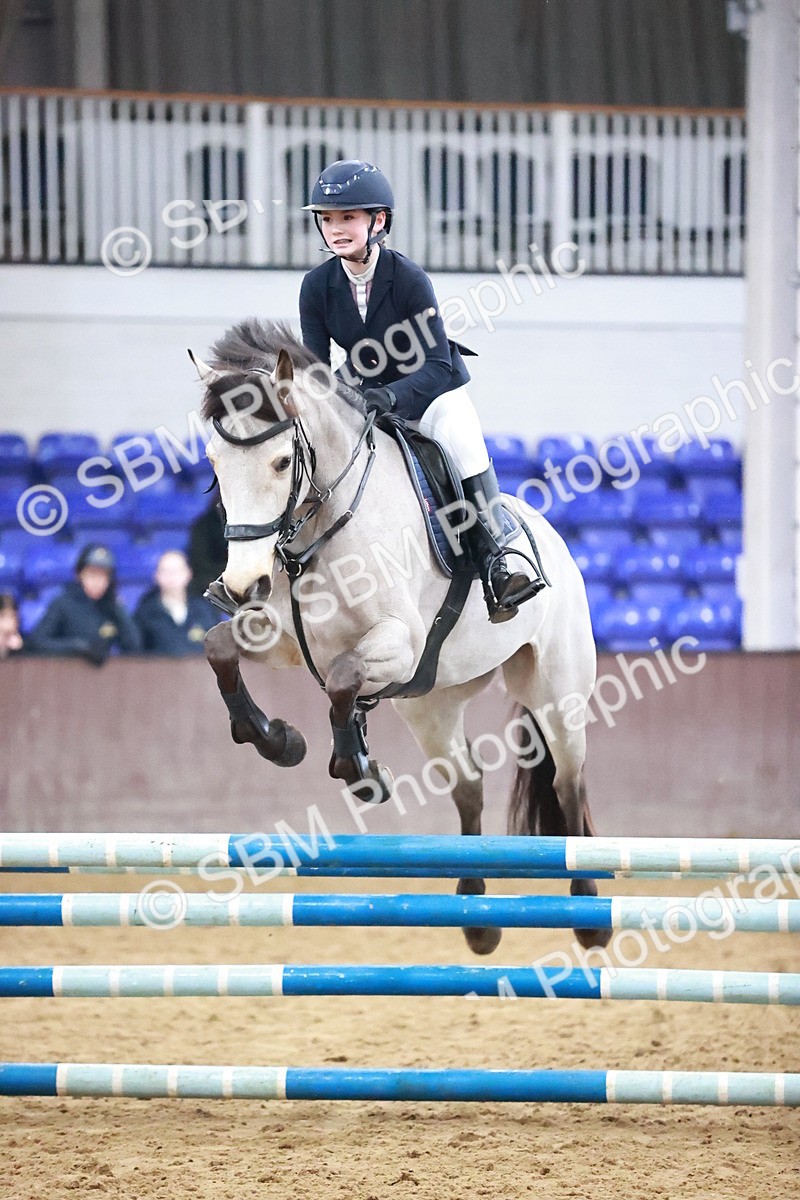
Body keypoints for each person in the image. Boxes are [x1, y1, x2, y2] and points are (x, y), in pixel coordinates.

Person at [298, 158, 545, 623]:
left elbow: (433, 363)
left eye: (348, 217)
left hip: (432, 392)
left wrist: (390, 397)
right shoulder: (316, 286)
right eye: (327, 219)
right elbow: (315, 368)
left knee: (464, 445)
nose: (336, 229)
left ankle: (499, 561)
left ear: (379, 221)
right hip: (366, 399)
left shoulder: (409, 279)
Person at [28, 544, 141, 665]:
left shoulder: (112, 607)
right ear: (79, 575)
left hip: (102, 678)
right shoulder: (64, 603)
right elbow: (36, 642)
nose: (98, 581)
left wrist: (119, 610)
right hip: (63, 672)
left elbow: (134, 647)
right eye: (92, 574)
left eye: (104, 575)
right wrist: (77, 647)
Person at [135, 549, 217, 654]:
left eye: (177, 571)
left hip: (200, 669)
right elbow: (135, 652)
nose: (171, 576)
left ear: (188, 573)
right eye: (166, 571)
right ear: (156, 576)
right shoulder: (145, 613)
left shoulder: (205, 610)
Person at [0, 593, 23, 659]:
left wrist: (18, 650)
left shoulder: (23, 643)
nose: (8, 622)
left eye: (12, 616)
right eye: (3, 616)